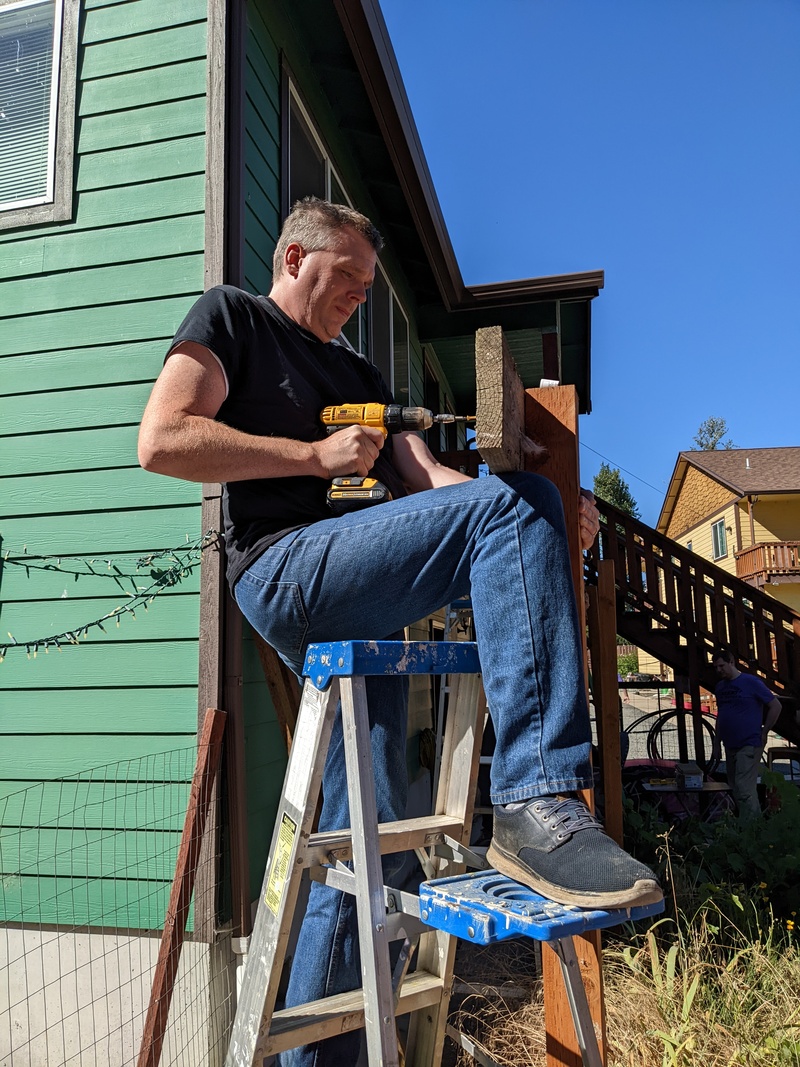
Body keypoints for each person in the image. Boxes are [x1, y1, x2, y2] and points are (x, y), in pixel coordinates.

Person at [139, 197, 661, 1066]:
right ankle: (537, 801)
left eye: (368, 285)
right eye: (345, 277)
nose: (358, 297)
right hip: (282, 566)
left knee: (368, 826)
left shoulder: (359, 376)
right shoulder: (234, 317)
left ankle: (317, 1054)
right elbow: (163, 439)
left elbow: (432, 481)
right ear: (295, 258)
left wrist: (546, 514)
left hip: (355, 588)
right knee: (515, 511)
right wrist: (310, 458)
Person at [711, 648, 782, 821]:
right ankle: (746, 826)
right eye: (716, 667)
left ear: (731, 662)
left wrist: (765, 731)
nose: (719, 670)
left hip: (749, 742)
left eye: (721, 666)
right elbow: (721, 715)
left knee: (744, 787)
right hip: (730, 744)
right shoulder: (720, 687)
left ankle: (753, 828)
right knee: (735, 786)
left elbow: (775, 706)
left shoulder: (750, 682)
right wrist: (716, 743)